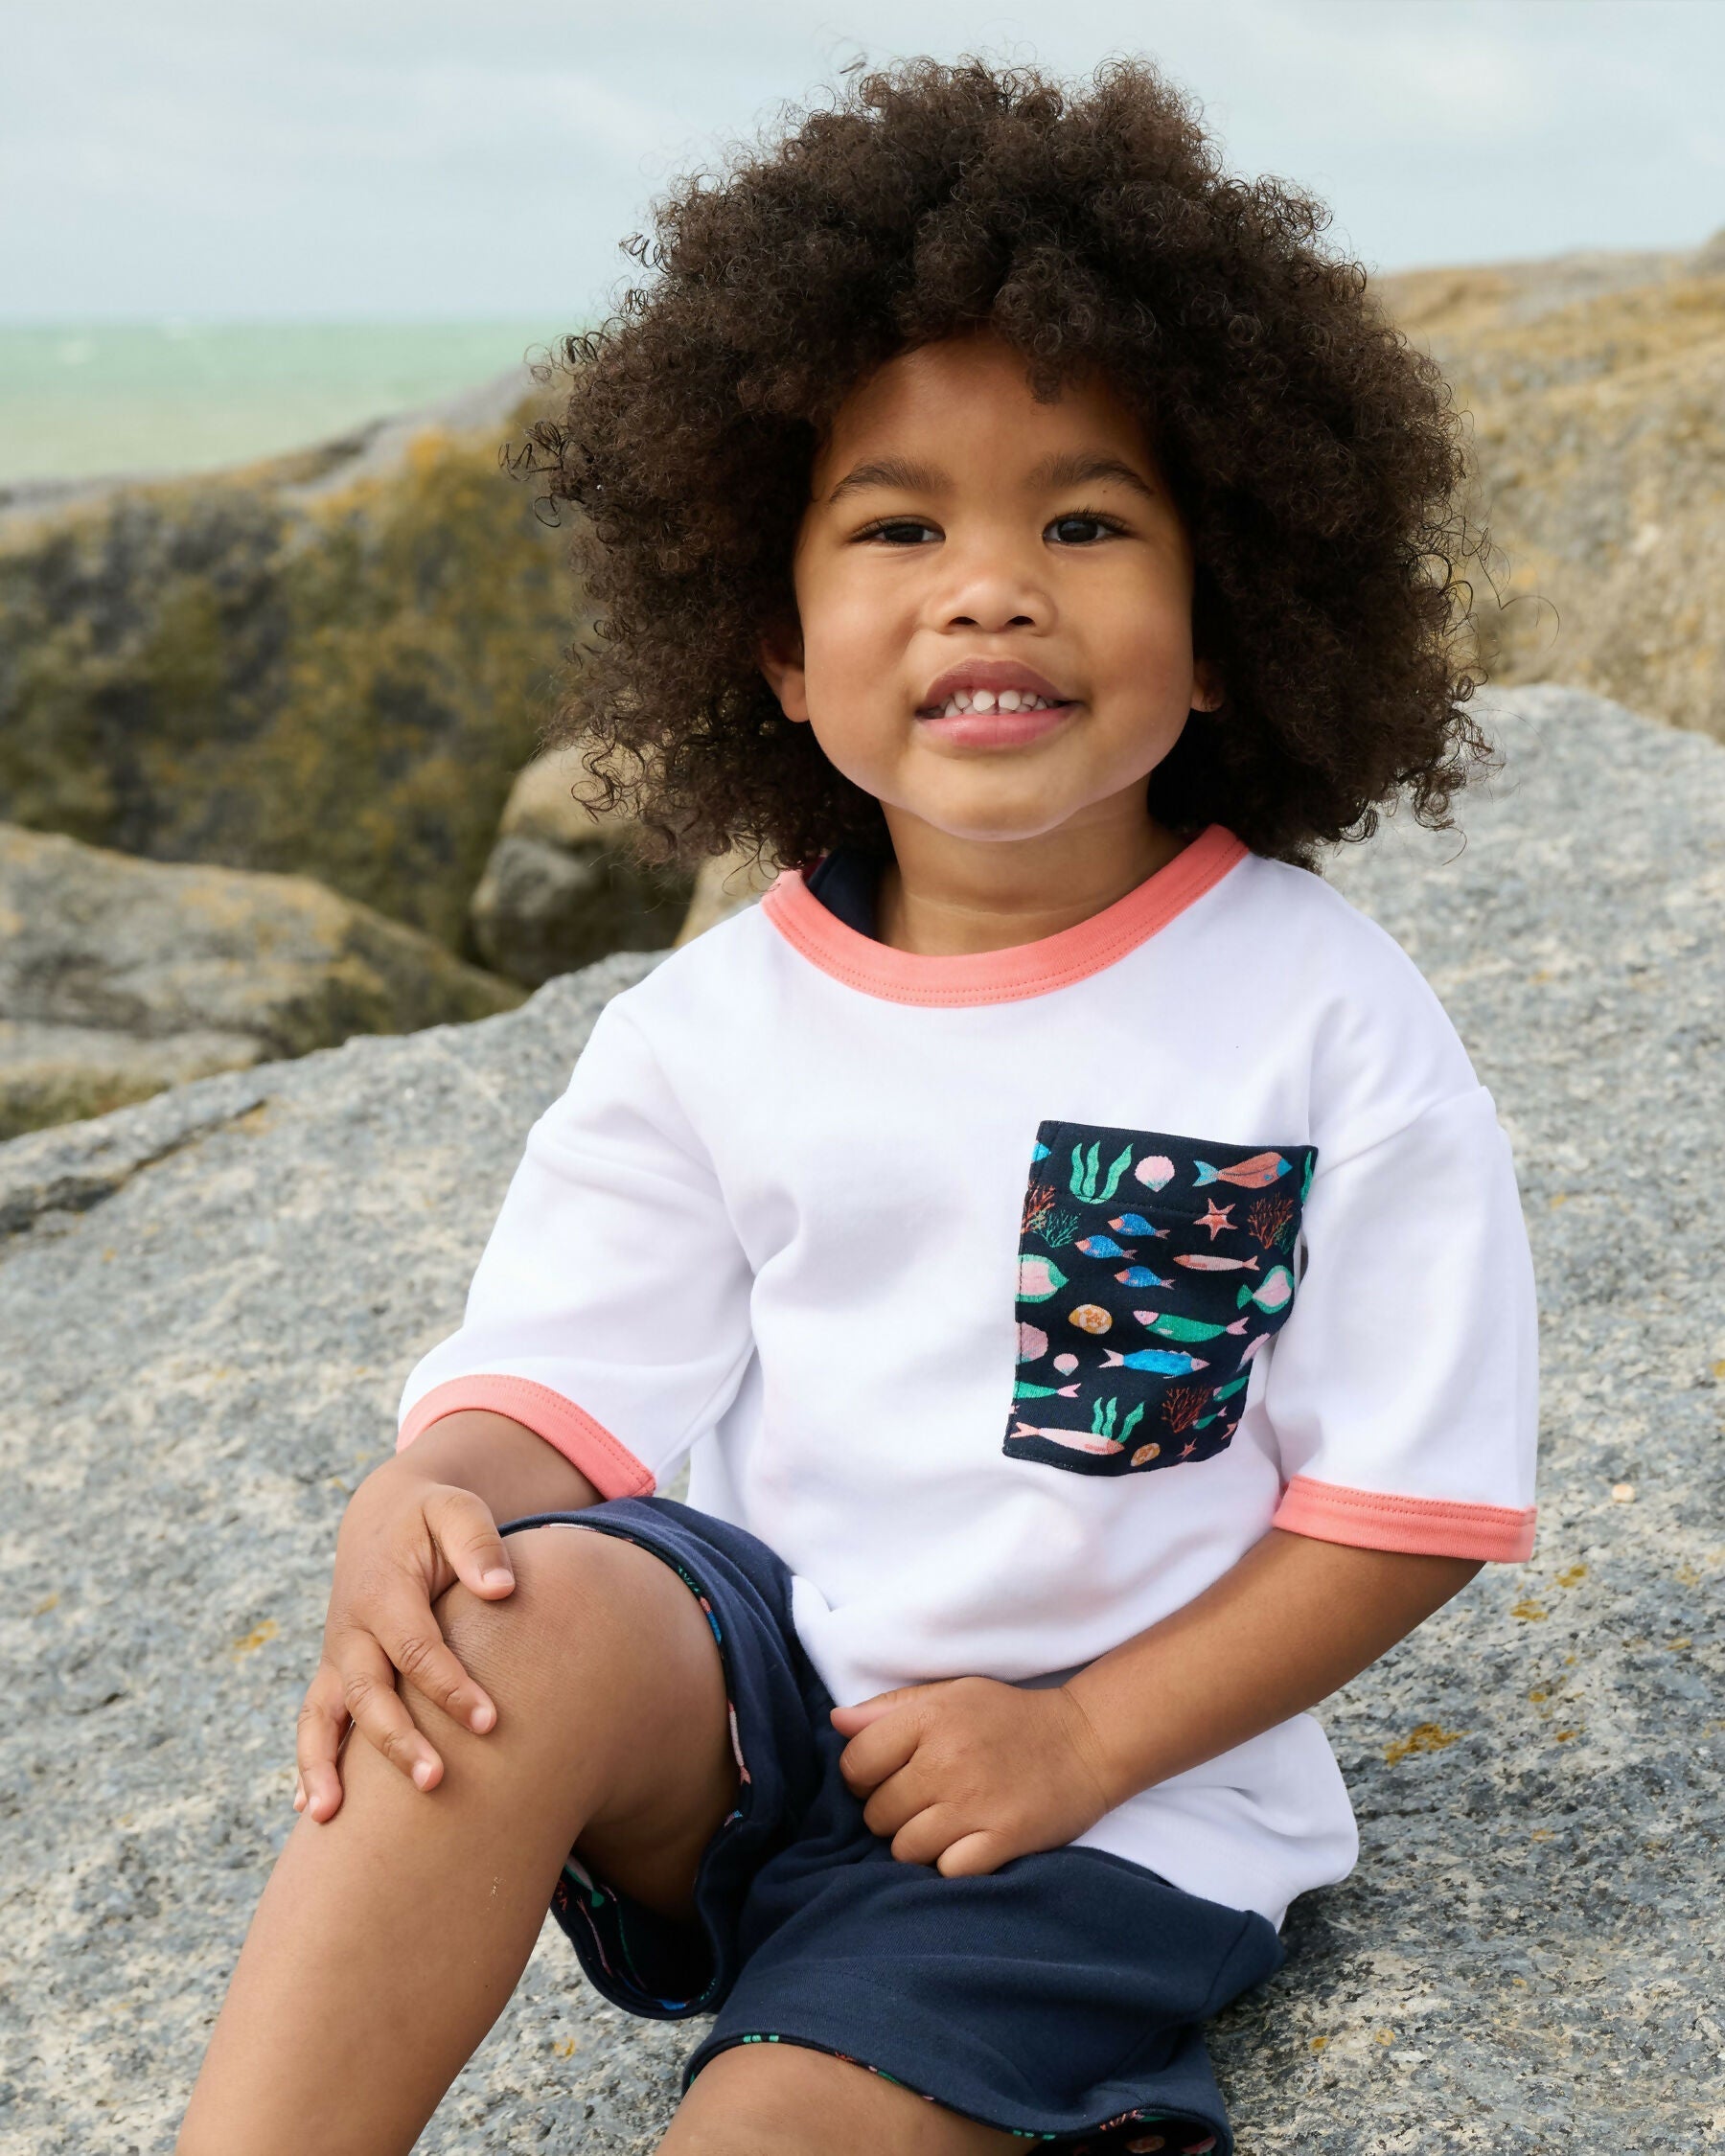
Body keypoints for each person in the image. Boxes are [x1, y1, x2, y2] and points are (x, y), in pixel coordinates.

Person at [178, 57, 1539, 2156]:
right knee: (496, 1608)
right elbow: (559, 1388)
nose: (990, 585)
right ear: (783, 652)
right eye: (899, 526)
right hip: (755, 1731)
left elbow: (1405, 1504)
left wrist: (1084, 1741)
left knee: (774, 2128)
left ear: (1229, 624)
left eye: (1085, 522)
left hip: (1108, 1815)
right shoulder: (710, 1027)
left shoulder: (1318, 1017)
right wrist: (425, 1494)